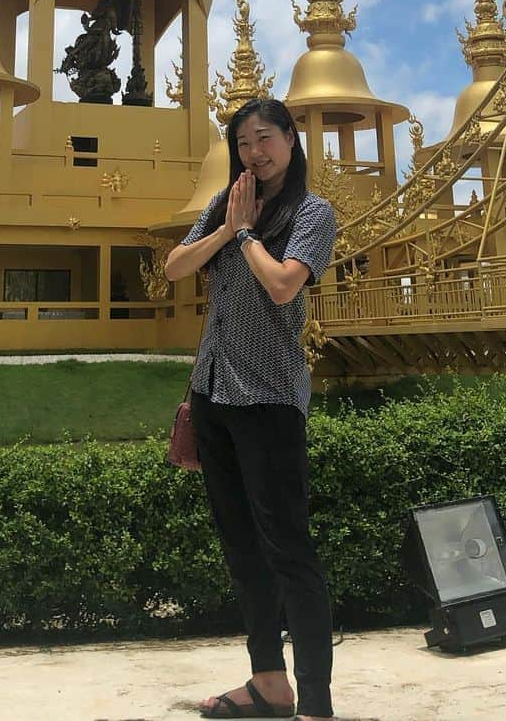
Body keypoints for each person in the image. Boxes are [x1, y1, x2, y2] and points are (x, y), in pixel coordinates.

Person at [165, 97, 338, 721]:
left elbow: (284, 283)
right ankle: (269, 682)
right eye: (243, 144)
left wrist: (244, 235)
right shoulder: (224, 205)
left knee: (289, 550)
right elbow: (175, 267)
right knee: (241, 547)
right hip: (212, 393)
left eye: (265, 139)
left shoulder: (313, 212)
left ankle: (316, 704)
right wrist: (225, 225)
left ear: (291, 140)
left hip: (268, 396)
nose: (254, 153)